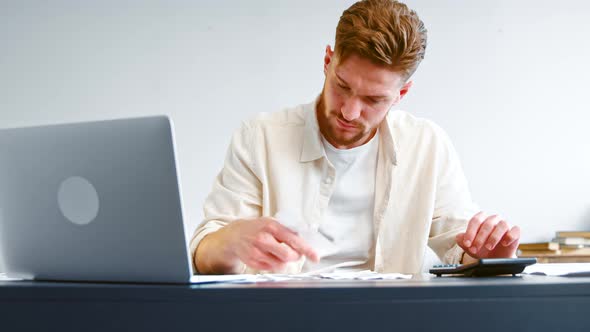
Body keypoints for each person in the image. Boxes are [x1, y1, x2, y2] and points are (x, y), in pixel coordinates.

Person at [190, 0, 520, 275]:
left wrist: (493, 255)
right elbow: (204, 254)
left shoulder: (427, 145)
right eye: (342, 86)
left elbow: (460, 251)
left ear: (401, 93)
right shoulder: (260, 137)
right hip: (285, 316)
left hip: (392, 319)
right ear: (327, 61)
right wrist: (230, 241)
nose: (349, 111)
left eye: (373, 100)